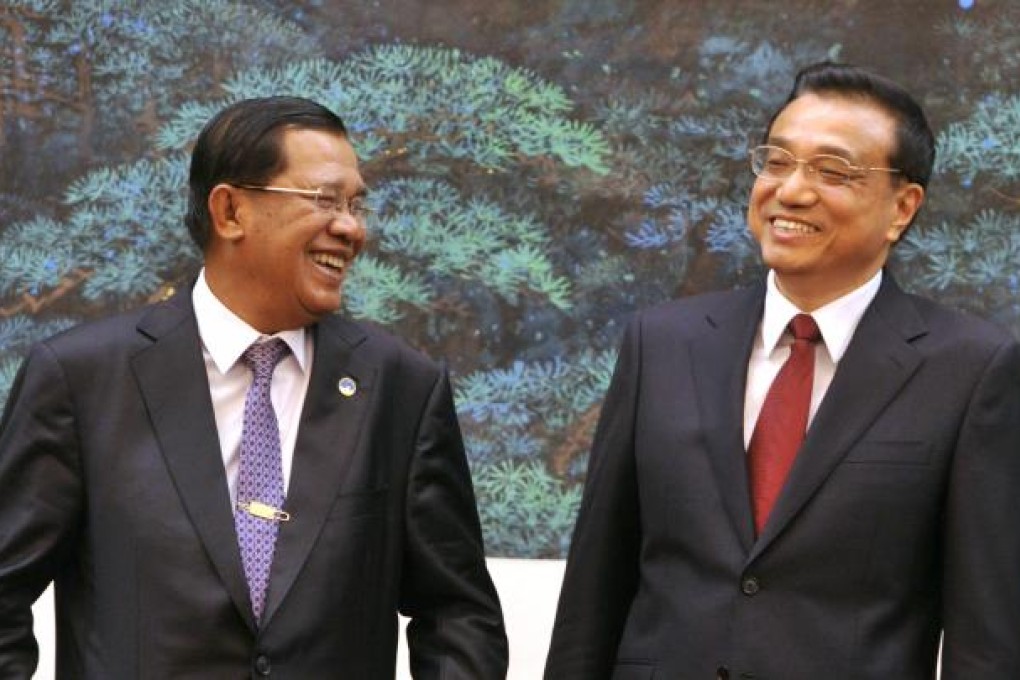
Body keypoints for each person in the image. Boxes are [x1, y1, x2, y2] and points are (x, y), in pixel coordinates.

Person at [0, 96, 508, 679]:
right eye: (325, 200)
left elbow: (458, 617)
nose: (350, 228)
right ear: (230, 211)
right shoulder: (83, 380)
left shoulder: (400, 389)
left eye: (356, 204)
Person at [544, 62, 1020, 679]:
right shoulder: (661, 344)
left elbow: (987, 640)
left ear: (902, 208)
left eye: (832, 171)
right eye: (776, 161)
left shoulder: (969, 369)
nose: (790, 191)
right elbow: (594, 591)